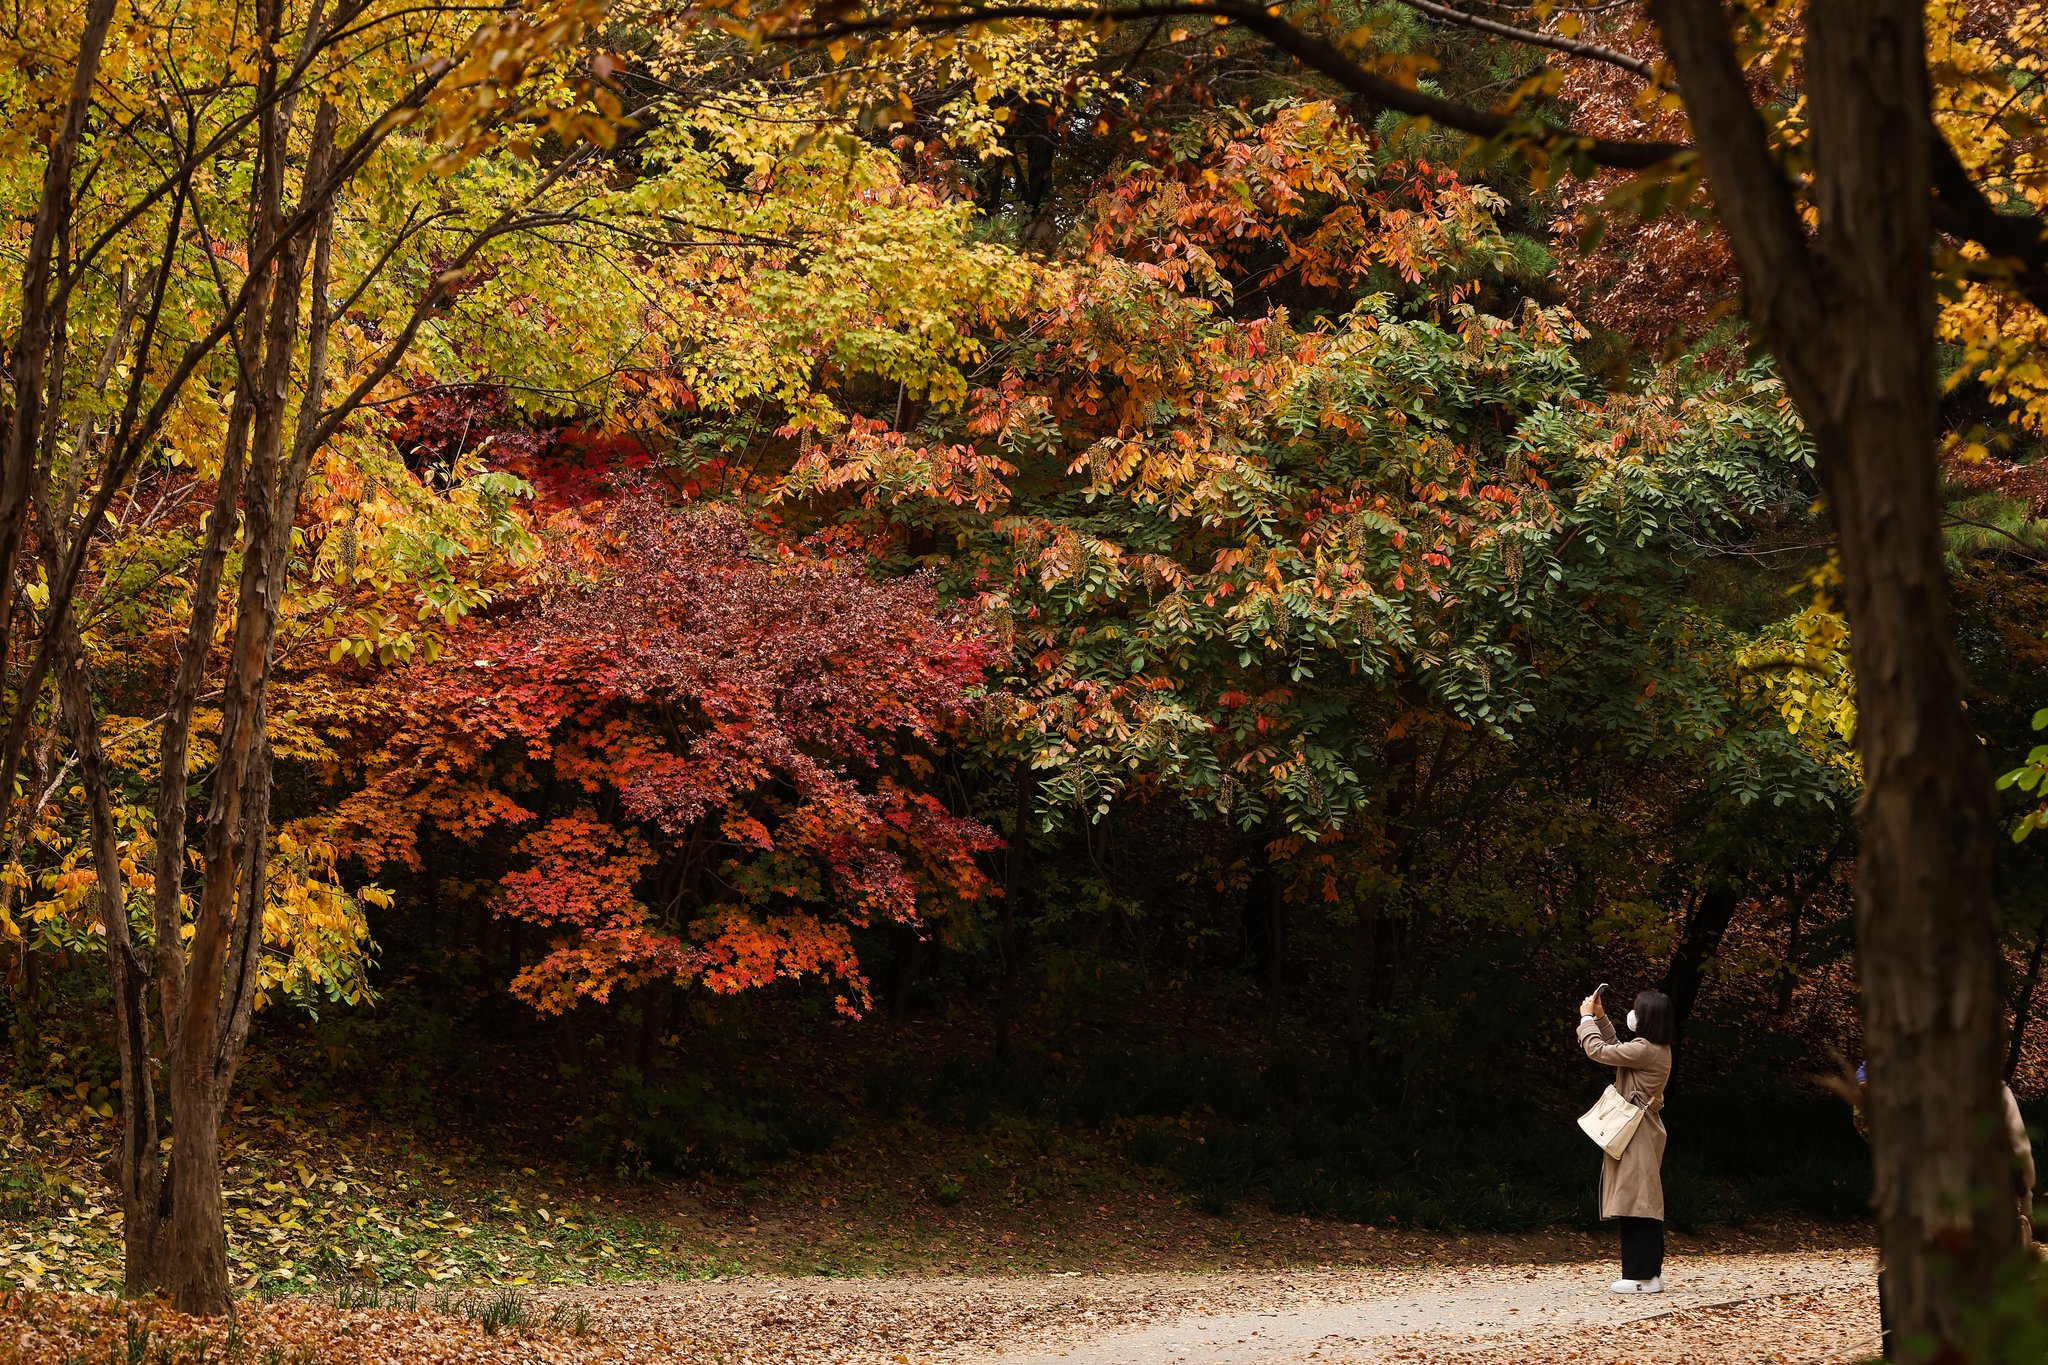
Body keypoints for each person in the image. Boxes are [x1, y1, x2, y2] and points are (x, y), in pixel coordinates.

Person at [1577, 988, 1675, 1294]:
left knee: (1637, 1203)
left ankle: (1640, 1277)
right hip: (1642, 1130)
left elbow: (1599, 1052)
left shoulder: (1646, 1049)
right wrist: (1602, 1017)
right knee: (1639, 1200)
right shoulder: (1651, 1047)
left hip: (1638, 1133)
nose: (1633, 1014)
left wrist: (1586, 1019)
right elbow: (1619, 1048)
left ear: (1647, 1018)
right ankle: (1649, 1275)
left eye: (1637, 1010)